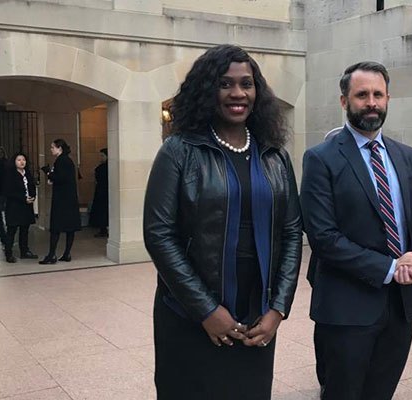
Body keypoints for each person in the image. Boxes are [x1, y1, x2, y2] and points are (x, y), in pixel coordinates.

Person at [143, 44, 302, 400]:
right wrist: (206, 310)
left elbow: (291, 231)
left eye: (246, 84)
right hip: (190, 311)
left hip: (256, 311)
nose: (237, 93)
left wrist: (278, 308)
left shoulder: (274, 155)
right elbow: (159, 234)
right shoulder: (180, 150)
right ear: (206, 90)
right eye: (225, 83)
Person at [300, 61, 412, 400]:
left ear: (389, 98)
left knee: (381, 392)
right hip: (347, 308)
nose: (372, 102)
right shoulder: (321, 158)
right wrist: (391, 268)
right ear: (344, 102)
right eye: (362, 95)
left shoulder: (408, 156)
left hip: (400, 308)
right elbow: (323, 237)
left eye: (378, 94)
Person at [39, 139, 81, 264]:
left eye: (53, 147)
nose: (51, 149)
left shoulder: (61, 161)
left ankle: (52, 255)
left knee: (56, 227)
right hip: (69, 199)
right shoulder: (67, 160)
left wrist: (48, 172)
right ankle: (66, 253)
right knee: (69, 227)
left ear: (60, 148)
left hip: (62, 200)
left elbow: (60, 178)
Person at [3, 152, 38, 263]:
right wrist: (23, 199)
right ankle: (8, 253)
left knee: (25, 229)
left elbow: (32, 186)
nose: (22, 162)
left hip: (26, 207)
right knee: (12, 230)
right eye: (19, 160)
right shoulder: (10, 175)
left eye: (23, 160)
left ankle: (25, 251)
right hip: (14, 206)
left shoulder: (27, 173)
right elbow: (9, 192)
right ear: (14, 162)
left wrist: (32, 197)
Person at [89, 148, 108, 237]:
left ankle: (103, 229)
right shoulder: (104, 167)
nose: (101, 158)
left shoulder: (102, 168)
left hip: (102, 191)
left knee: (102, 211)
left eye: (102, 156)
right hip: (104, 191)